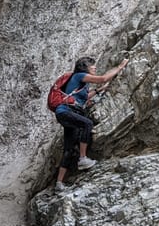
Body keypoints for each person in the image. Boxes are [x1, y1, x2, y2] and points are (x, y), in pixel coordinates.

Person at [54, 56, 128, 192]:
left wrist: (99, 91)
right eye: (92, 65)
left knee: (69, 148)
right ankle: (83, 159)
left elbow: (82, 98)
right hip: (67, 111)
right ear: (85, 67)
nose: (94, 67)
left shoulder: (80, 83)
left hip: (65, 113)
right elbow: (103, 79)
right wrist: (120, 67)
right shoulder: (79, 75)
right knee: (87, 124)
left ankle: (59, 183)